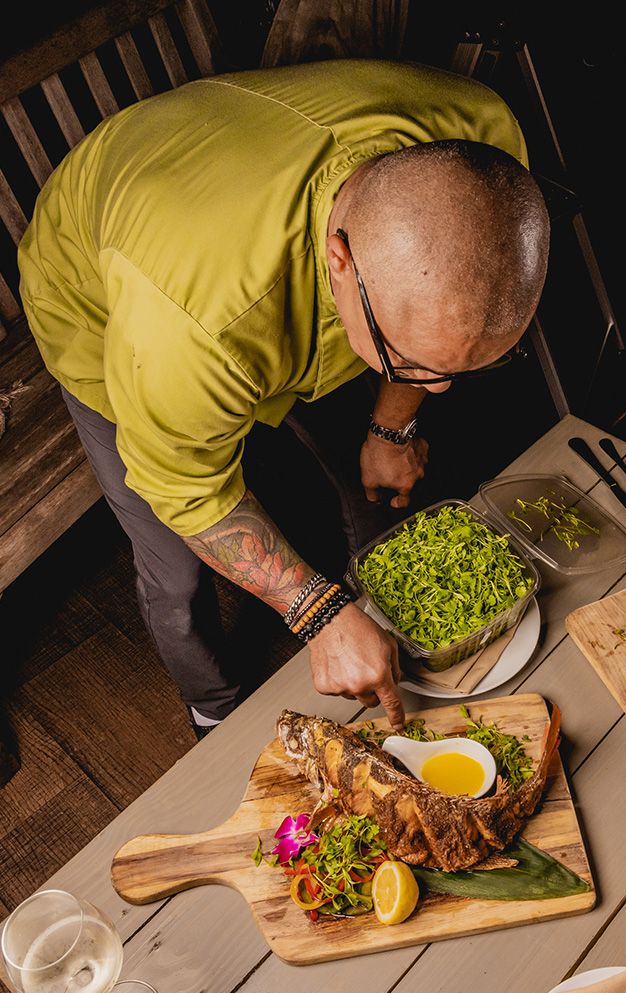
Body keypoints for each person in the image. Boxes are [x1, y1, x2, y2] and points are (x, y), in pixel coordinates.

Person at [17, 58, 551, 737]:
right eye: (408, 363)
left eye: (463, 371)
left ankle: (382, 611)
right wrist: (317, 613)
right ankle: (211, 706)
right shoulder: (193, 323)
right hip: (101, 299)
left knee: (363, 468)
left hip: (238, 231)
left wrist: (392, 428)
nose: (434, 389)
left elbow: (430, 337)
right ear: (340, 259)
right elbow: (188, 489)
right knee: (174, 569)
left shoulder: (486, 145)